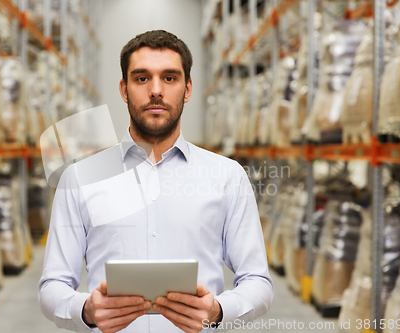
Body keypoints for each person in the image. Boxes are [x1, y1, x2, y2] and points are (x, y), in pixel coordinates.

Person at [38, 30, 274, 333]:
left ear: (188, 89)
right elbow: (52, 285)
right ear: (124, 90)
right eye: (141, 78)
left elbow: (257, 281)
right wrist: (86, 310)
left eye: (170, 78)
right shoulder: (80, 178)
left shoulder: (227, 176)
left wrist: (218, 311)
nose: (156, 91)